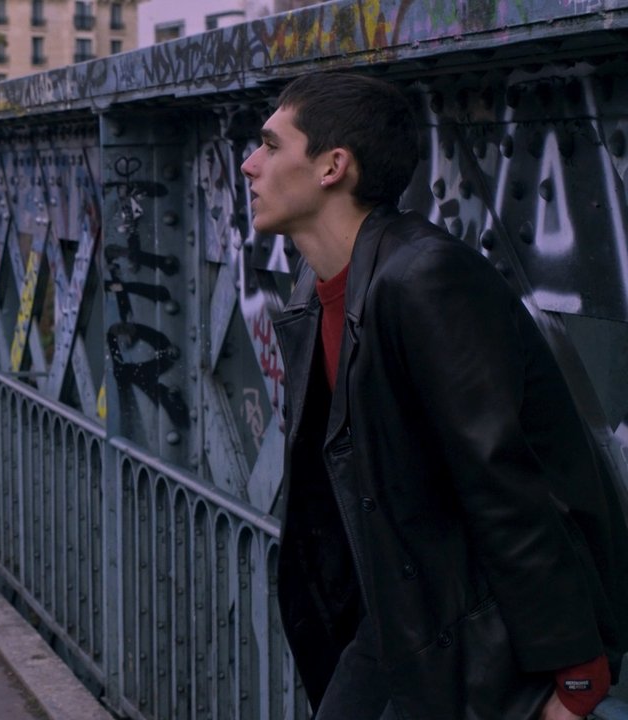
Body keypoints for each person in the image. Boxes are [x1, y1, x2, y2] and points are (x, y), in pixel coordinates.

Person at [242, 72, 628, 719]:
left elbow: (503, 479)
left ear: (334, 165)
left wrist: (575, 665)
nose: (250, 164)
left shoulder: (424, 278)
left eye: (272, 145)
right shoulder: (315, 289)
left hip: (479, 630)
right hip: (399, 618)